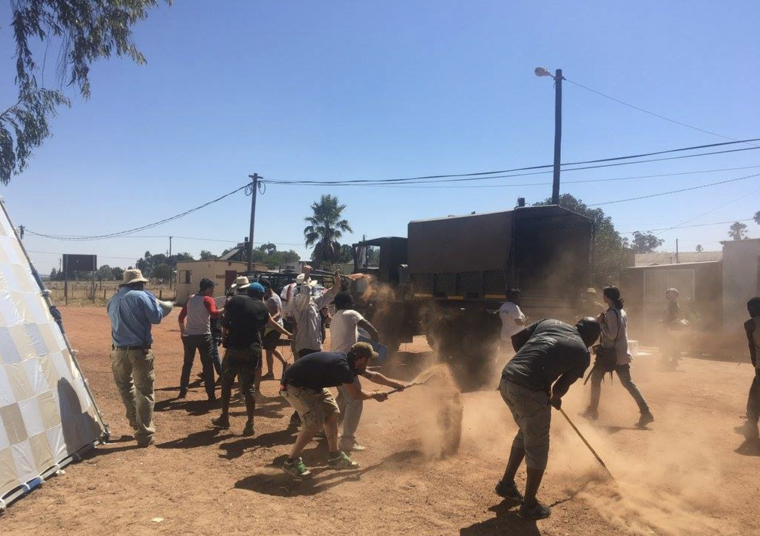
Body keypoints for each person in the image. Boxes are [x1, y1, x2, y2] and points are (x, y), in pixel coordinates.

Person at [495, 317, 601, 520]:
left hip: (508, 378)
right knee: (538, 446)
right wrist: (554, 397)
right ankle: (529, 506)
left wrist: (531, 366)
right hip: (528, 389)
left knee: (526, 431)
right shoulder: (582, 352)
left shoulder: (551, 322)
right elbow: (559, 388)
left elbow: (517, 339)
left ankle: (507, 484)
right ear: (591, 338)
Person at [279, 342, 398, 479]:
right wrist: (375, 395)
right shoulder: (344, 367)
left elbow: (373, 375)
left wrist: (395, 384)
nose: (369, 362)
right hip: (295, 387)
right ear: (361, 359)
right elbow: (356, 394)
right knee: (313, 424)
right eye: (369, 359)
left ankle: (335, 457)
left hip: (312, 386)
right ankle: (291, 462)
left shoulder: (350, 361)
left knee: (332, 413)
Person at [212, 282, 291, 436]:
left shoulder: (235, 300)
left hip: (235, 347)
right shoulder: (263, 307)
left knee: (227, 383)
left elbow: (225, 321)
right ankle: (250, 424)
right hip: (253, 349)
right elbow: (273, 324)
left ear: (248, 292)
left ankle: (224, 417)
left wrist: (224, 338)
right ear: (262, 295)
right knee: (248, 387)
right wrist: (288, 334)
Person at [331, 291, 404, 452]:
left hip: (336, 361)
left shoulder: (334, 318)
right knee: (355, 400)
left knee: (343, 398)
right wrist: (374, 347)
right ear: (349, 303)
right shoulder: (351, 313)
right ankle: (347, 440)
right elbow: (372, 330)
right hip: (347, 363)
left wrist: (394, 383)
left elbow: (372, 376)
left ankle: (328, 429)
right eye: (352, 302)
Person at [106, 269, 166, 447]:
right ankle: (144, 433)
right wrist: (155, 303)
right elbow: (156, 318)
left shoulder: (113, 299)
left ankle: (135, 422)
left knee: (125, 387)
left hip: (117, 350)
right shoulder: (141, 296)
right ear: (140, 283)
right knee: (144, 391)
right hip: (139, 351)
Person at [582, 286, 654, 427]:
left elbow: (612, 335)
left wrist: (601, 323)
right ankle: (646, 412)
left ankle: (593, 410)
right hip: (620, 353)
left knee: (596, 378)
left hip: (611, 354)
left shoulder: (610, 313)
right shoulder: (621, 311)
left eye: (604, 295)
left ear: (607, 297)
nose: (602, 297)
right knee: (628, 383)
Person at [178, 278, 223, 401]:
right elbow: (214, 314)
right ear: (208, 288)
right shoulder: (208, 299)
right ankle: (211, 394)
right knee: (207, 365)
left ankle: (183, 391)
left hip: (189, 336)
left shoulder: (190, 298)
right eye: (212, 288)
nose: (213, 291)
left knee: (187, 364)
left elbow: (181, 317)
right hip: (204, 335)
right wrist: (226, 307)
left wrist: (183, 333)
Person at [292, 272, 341, 358]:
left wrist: (337, 281)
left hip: (315, 344)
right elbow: (305, 293)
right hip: (305, 346)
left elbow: (330, 294)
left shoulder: (313, 302)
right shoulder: (298, 301)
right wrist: (306, 276)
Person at [738, 297, 760, 440]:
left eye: (749, 309)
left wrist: (754, 361)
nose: (749, 312)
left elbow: (751, 346)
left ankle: (751, 425)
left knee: (755, 395)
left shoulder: (750, 324)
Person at [259, 279, 289, 380]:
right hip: (273, 327)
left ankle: (270, 373)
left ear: (266, 288)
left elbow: (278, 313)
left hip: (273, 327)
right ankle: (284, 363)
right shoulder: (271, 297)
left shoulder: (273, 299)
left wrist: (269, 321)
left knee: (268, 351)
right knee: (271, 348)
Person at [498, 288, 526, 356]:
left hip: (504, 336)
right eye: (518, 296)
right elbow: (519, 322)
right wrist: (525, 320)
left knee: (503, 355)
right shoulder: (514, 307)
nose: (519, 298)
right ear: (514, 297)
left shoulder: (503, 306)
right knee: (512, 356)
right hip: (514, 339)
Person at [662, 288, 683, 369]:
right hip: (670, 326)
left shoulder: (673, 304)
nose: (671, 295)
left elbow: (673, 316)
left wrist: (668, 324)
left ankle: (670, 361)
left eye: (673, 294)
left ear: (676, 295)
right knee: (669, 343)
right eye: (669, 294)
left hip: (672, 327)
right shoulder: (670, 304)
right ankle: (668, 361)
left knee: (670, 343)